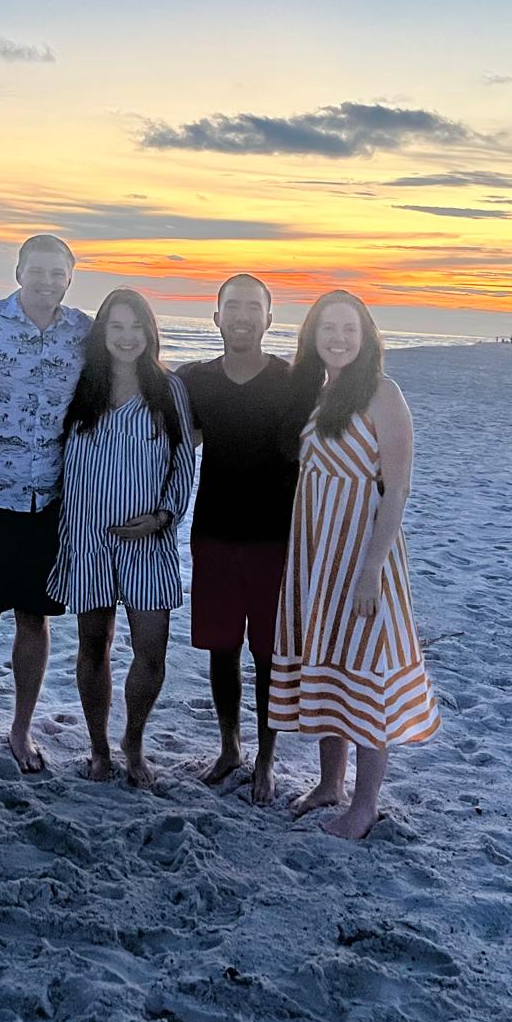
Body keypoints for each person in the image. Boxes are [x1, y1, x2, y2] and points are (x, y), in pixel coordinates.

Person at [270, 290, 440, 839]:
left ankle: (364, 806)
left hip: (364, 556)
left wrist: (372, 567)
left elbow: (397, 490)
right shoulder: (322, 392)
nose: (338, 338)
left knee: (366, 673)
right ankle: (329, 785)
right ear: (311, 337)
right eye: (327, 329)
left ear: (366, 336)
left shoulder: (383, 393)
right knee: (332, 664)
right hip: (316, 554)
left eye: (348, 329)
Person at [0, 234, 91, 772]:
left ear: (69, 278)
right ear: (18, 270)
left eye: (58, 272)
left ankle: (21, 730)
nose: (47, 281)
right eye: (38, 270)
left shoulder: (83, 332)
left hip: (50, 501)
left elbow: (124, 373)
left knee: (35, 619)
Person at [51, 288, 195, 788]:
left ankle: (133, 741)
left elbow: (183, 464)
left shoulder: (169, 389)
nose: (127, 337)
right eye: (116, 327)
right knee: (94, 644)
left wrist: (162, 517)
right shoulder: (80, 386)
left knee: (150, 650)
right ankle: (97, 748)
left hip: (148, 541)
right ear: (102, 333)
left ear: (150, 333)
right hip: (87, 537)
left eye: (137, 327)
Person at [177, 274, 299, 804]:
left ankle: (266, 760)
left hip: (277, 540)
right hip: (215, 534)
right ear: (217, 317)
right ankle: (230, 748)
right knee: (222, 650)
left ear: (270, 320)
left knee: (269, 656)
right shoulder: (194, 380)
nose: (243, 316)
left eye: (254, 308)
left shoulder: (295, 381)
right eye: (233, 307)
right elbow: (158, 437)